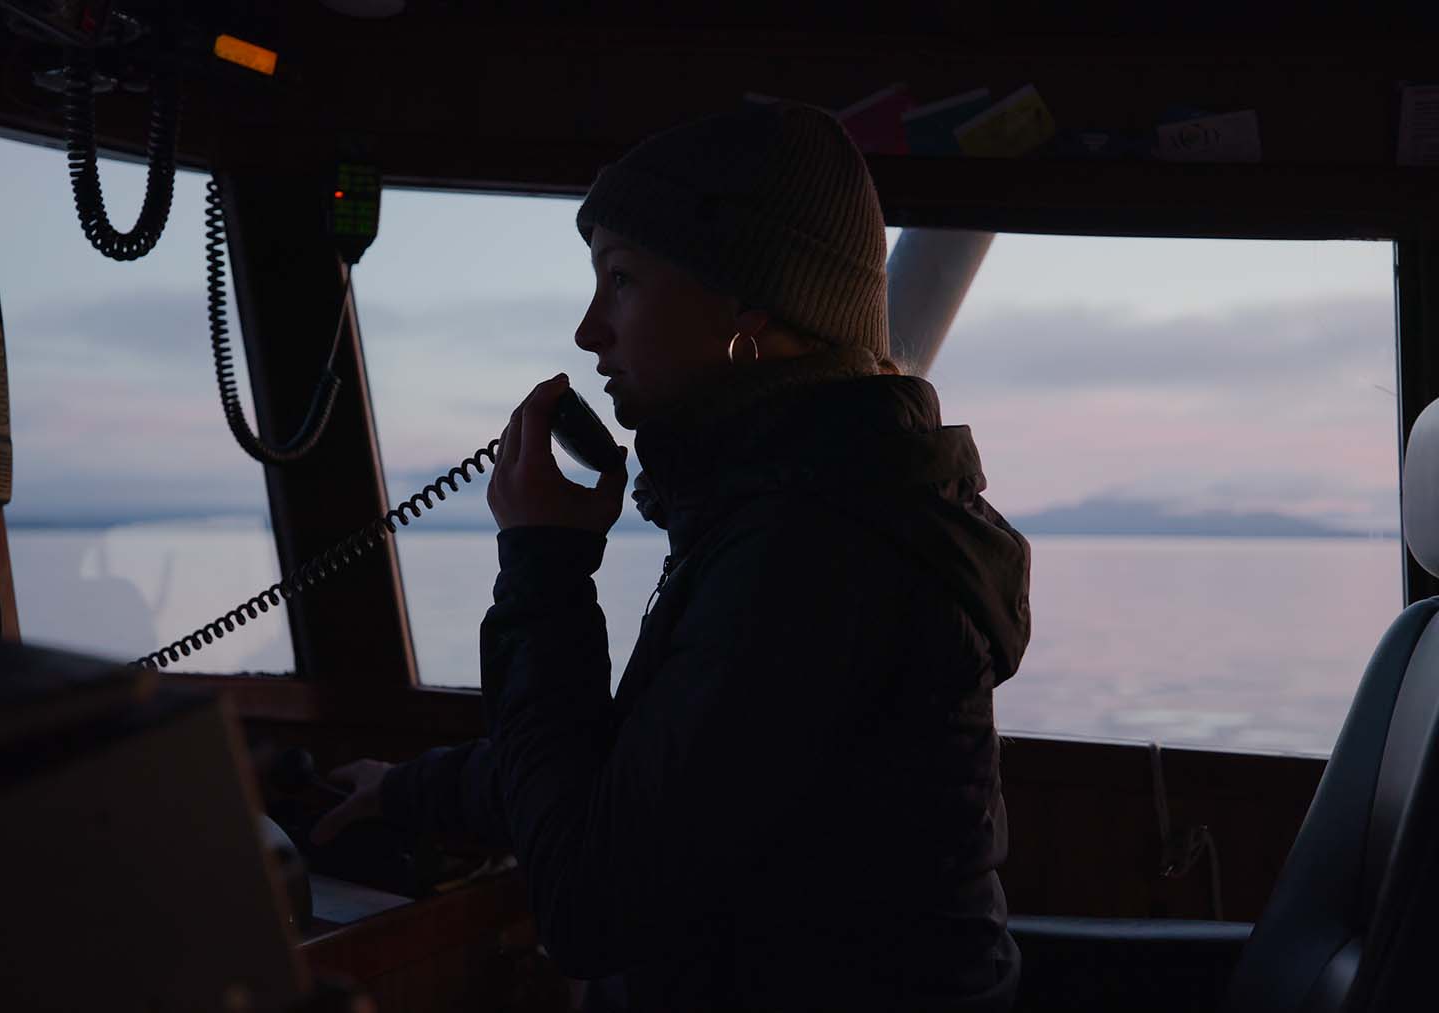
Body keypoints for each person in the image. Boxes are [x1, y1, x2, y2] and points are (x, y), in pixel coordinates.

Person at [313, 101, 1032, 1011]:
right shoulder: (803, 508)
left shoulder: (817, 556)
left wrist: (543, 564)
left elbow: (590, 908)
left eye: (621, 279)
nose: (588, 330)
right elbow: (643, 776)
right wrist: (409, 791)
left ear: (748, 306)